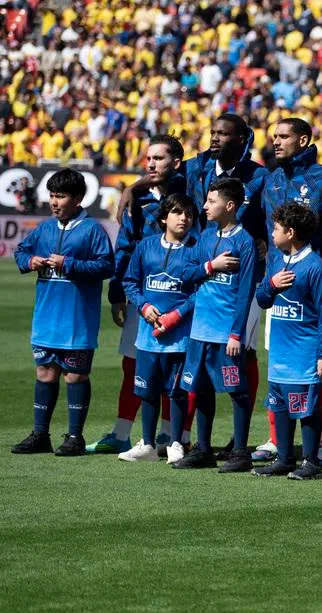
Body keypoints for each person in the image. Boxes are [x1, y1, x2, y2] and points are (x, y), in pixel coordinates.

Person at [253, 117, 322, 468]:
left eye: (283, 136)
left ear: (304, 139)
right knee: (278, 365)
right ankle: (278, 441)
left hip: (312, 285)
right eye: (273, 136)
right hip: (278, 284)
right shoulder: (272, 179)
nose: (276, 142)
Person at [89, 134, 187, 455]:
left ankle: (171, 436)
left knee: (175, 367)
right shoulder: (139, 199)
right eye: (148, 159)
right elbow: (126, 246)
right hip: (143, 295)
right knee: (133, 364)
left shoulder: (191, 193)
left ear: (176, 161)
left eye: (158, 158)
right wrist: (117, 291)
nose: (151, 164)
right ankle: (122, 433)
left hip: (179, 297)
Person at [11, 168, 114, 456]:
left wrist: (68, 264)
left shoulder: (93, 230)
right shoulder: (44, 228)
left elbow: (106, 266)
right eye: (52, 196)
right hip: (46, 318)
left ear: (79, 198)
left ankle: (75, 437)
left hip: (77, 320)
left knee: (75, 376)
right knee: (45, 373)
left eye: (61, 196)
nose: (55, 202)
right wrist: (29, 260)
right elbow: (21, 250)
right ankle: (40, 435)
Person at [174, 178, 259, 472]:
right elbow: (185, 273)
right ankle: (204, 449)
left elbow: (246, 292)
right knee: (201, 388)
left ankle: (240, 452)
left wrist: (237, 333)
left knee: (237, 390)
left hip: (226, 333)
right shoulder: (206, 238)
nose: (205, 206)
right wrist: (211, 267)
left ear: (230, 206)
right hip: (200, 330)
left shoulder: (244, 242)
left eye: (212, 201)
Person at [253, 202, 322, 480]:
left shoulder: (316, 266)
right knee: (279, 405)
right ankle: (285, 459)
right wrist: (272, 284)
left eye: (276, 229)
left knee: (307, 408)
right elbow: (263, 299)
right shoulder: (277, 261)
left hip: (304, 352)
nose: (272, 233)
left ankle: (311, 462)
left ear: (290, 232)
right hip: (279, 351)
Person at [117, 193, 199, 463]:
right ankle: (148, 444)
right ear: (164, 217)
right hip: (147, 336)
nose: (184, 218)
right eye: (177, 212)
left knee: (176, 391)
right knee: (147, 390)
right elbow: (130, 281)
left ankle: (175, 442)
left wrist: (178, 314)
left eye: (188, 214)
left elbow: (201, 290)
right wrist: (142, 306)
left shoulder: (196, 249)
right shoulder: (145, 246)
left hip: (180, 337)